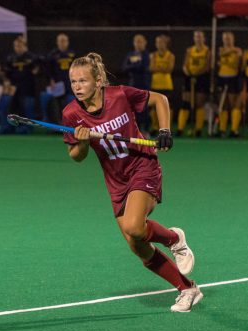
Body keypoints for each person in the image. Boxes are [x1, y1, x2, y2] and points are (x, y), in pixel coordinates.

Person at [62, 53, 201, 312]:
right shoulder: (71, 114)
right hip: (116, 180)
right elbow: (76, 157)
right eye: (73, 82)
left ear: (99, 80)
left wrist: (164, 131)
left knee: (135, 227)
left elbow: (160, 99)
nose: (77, 86)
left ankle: (174, 239)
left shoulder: (119, 95)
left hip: (142, 166)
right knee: (137, 245)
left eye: (83, 80)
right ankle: (187, 288)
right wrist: (81, 141)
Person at [3, 36, 40, 134]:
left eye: (20, 46)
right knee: (8, 106)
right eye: (16, 46)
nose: (18, 48)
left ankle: (27, 128)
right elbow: (6, 74)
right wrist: (7, 84)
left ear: (25, 46)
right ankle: (8, 127)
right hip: (14, 88)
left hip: (28, 88)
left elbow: (37, 72)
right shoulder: (10, 58)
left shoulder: (32, 58)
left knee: (27, 108)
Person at [177, 31, 210, 137]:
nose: (198, 39)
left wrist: (197, 75)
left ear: (204, 38)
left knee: (199, 103)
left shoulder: (207, 50)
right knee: (186, 102)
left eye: (200, 37)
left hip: (202, 78)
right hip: (189, 77)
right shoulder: (189, 50)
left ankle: (198, 129)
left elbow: (207, 66)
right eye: (196, 37)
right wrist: (189, 74)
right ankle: (180, 128)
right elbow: (185, 65)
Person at [40, 33, 76, 122]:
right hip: (57, 85)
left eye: (64, 41)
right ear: (57, 42)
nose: (63, 43)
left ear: (68, 42)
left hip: (69, 84)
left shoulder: (73, 54)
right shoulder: (52, 55)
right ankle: (54, 124)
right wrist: (51, 80)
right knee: (53, 103)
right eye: (61, 41)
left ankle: (70, 124)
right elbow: (47, 70)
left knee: (71, 104)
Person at [122, 34, 151, 133]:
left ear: (145, 42)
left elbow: (142, 66)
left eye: (140, 41)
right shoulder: (130, 54)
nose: (138, 44)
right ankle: (136, 130)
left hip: (144, 84)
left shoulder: (146, 54)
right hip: (132, 84)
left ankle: (146, 130)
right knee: (133, 108)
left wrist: (133, 65)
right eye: (136, 41)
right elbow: (124, 67)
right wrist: (136, 65)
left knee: (144, 107)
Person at [216, 32, 242, 138]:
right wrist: (231, 52)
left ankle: (234, 130)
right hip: (222, 78)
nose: (227, 40)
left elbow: (236, 64)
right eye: (225, 39)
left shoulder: (238, 50)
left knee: (233, 104)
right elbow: (220, 55)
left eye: (229, 38)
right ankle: (222, 129)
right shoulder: (221, 49)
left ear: (233, 39)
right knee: (223, 104)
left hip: (233, 78)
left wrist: (224, 62)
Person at [149, 35, 174, 135]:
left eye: (162, 42)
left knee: (168, 107)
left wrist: (158, 68)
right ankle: (155, 127)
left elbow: (169, 69)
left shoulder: (170, 55)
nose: (159, 44)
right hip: (155, 84)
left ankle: (167, 128)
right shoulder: (153, 55)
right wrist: (162, 68)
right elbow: (151, 68)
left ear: (166, 44)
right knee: (154, 108)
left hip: (167, 85)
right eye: (157, 42)